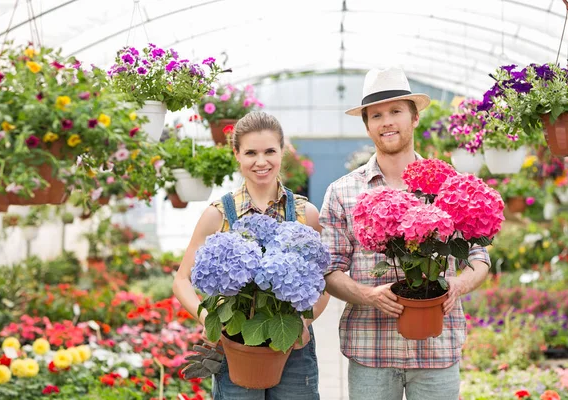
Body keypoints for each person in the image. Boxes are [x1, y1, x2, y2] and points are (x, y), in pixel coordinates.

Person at [319, 67, 491, 400]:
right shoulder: (342, 192)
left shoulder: (448, 185)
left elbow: (479, 256)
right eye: (377, 115)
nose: (387, 122)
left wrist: (460, 283)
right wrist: (368, 295)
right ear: (367, 125)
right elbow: (329, 269)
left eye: (396, 111)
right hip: (372, 352)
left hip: (436, 353)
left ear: (414, 118)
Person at [173, 111, 329, 400]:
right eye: (251, 153)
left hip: (294, 344)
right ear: (236, 155)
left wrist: (304, 324)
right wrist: (209, 319)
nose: (261, 161)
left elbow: (324, 281)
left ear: (283, 151)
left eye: (270, 151)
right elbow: (181, 280)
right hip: (236, 342)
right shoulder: (217, 214)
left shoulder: (306, 214)